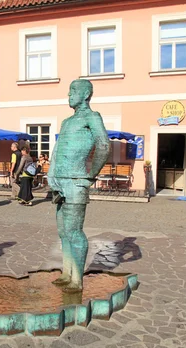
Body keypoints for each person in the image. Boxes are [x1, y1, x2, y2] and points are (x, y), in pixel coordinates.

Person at [48, 79, 110, 293]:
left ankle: (78, 279)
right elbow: (56, 151)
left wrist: (91, 174)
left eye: (73, 91)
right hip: (60, 181)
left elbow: (103, 145)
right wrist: (50, 173)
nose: (69, 94)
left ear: (85, 94)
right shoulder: (66, 122)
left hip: (76, 182)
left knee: (74, 231)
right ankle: (67, 273)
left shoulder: (92, 117)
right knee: (63, 231)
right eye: (69, 91)